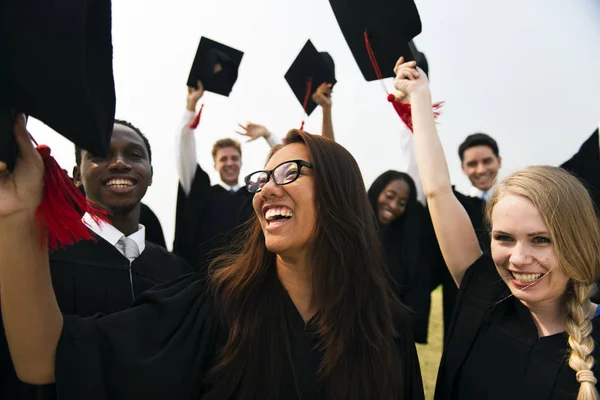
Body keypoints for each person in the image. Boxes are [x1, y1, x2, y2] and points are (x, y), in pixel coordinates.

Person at [0, 119, 424, 399]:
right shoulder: (213, 308)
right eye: (262, 179)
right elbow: (43, 359)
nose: (266, 190)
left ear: (340, 195)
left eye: (291, 173)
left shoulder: (387, 328)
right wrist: (17, 216)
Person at [394, 57, 600, 399]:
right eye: (503, 237)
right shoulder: (482, 294)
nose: (518, 258)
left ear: (575, 241)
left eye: (541, 240)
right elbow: (437, 191)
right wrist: (419, 95)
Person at [0, 119, 187, 399]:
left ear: (150, 174)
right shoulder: (42, 260)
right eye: (100, 155)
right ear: (76, 175)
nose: (120, 164)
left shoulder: (179, 274)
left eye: (135, 155)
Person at [367, 171, 432, 344]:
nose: (394, 205)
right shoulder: (352, 230)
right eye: (389, 196)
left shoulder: (405, 246)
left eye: (402, 203)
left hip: (386, 336)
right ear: (377, 191)